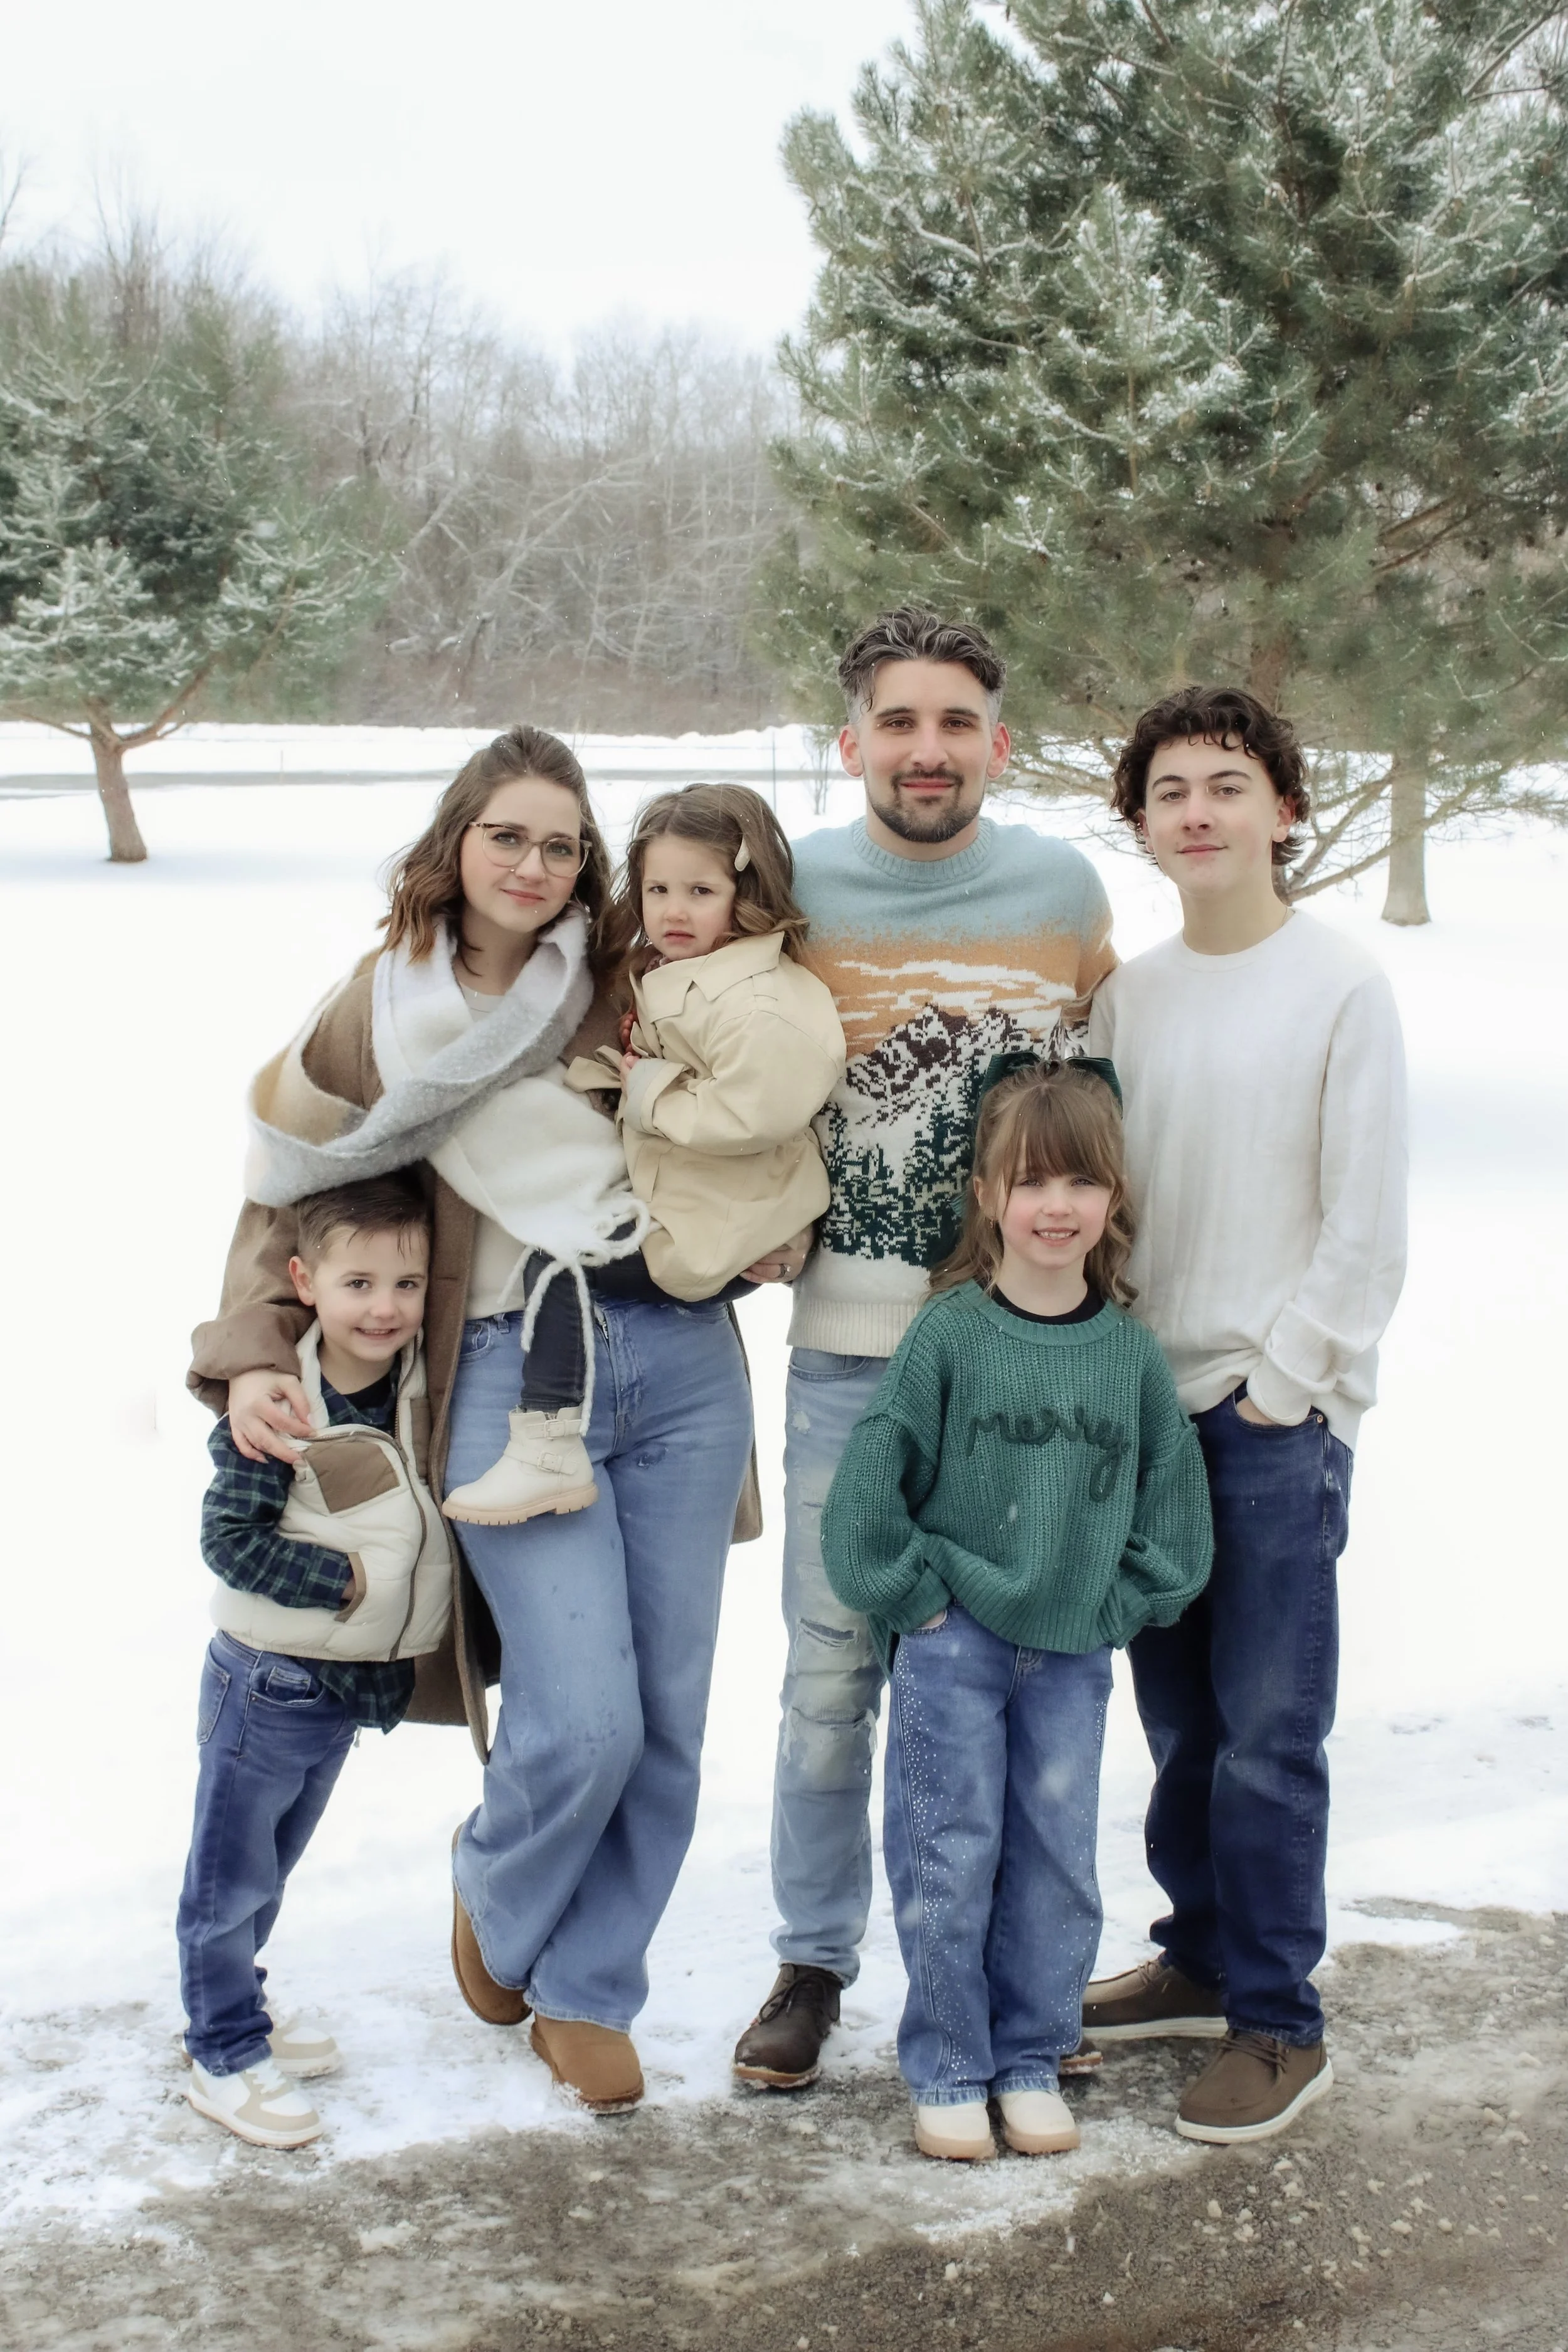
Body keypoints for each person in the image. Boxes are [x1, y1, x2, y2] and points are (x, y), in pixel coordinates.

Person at [189, 726, 764, 2119]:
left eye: (563, 843)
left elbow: (750, 1080)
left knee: (671, 1715)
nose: (532, 862)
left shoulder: (626, 980)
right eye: (507, 833)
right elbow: (288, 1184)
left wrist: (754, 1221)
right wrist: (256, 1348)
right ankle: (497, 1888)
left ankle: (588, 1985)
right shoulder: (378, 1010)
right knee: (579, 1717)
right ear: (456, 841)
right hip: (507, 1373)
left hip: (678, 1356)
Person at [733, 607, 1118, 2090]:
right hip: (850, 1355)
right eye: (897, 722)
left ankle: (1019, 1982)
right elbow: (721, 1058)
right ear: (852, 743)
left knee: (1018, 1672)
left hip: (1021, 1359)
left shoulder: (1060, 887)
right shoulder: (796, 893)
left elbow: (1096, 1115)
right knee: (832, 1672)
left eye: (954, 722)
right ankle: (809, 1963)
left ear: (994, 743)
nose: (926, 750)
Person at [1083, 686, 1407, 2144]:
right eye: (1169, 791)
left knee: (1271, 1733)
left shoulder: (1339, 986)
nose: (1197, 811)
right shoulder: (1126, 998)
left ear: (1282, 806)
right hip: (1146, 1421)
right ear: (1140, 823)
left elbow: (1365, 1225)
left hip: (1269, 1416)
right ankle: (1199, 1958)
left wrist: (1280, 1388)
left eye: (1227, 784)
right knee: (1182, 1727)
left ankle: (1280, 2020)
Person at [820, 1061, 1212, 2161]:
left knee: (1055, 1856)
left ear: (1112, 1201)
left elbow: (1175, 1508)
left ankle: (1033, 2055)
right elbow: (869, 1487)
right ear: (987, 1196)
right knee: (949, 1848)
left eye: (1080, 1182)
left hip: (1074, 1652)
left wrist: (1123, 1599)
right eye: (1030, 1179)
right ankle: (949, 2062)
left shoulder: (1128, 1354)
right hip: (956, 1644)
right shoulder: (950, 1335)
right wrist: (915, 1596)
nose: (1055, 1204)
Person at [179, 1175, 446, 2150]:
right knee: (228, 1873)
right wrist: (342, 1582)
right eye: (359, 1282)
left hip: (335, 1691)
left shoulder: (418, 1381)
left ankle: (233, 2004)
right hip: (266, 1680)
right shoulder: (285, 1399)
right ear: (305, 1280)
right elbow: (231, 1538)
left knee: (269, 1867)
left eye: (407, 1284)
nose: (385, 1307)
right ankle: (222, 2049)